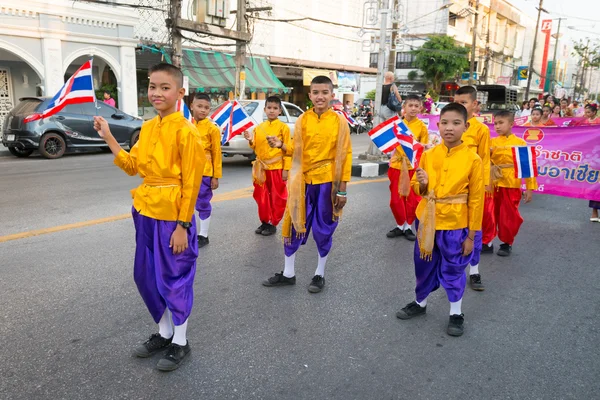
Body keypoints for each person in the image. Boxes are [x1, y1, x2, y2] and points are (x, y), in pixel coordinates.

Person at [92, 63, 205, 371]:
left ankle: (180, 342)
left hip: (172, 216)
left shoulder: (187, 132)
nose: (156, 92)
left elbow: (192, 183)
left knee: (174, 277)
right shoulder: (149, 127)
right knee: (145, 275)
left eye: (164, 87)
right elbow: (132, 167)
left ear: (180, 92)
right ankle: (165, 332)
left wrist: (183, 225)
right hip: (144, 211)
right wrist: (108, 136)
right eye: (152, 86)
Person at [395, 103, 484, 337]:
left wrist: (472, 237)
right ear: (438, 125)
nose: (449, 128)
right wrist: (422, 183)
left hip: (456, 225)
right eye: (444, 122)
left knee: (453, 269)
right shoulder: (428, 154)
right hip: (426, 222)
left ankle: (456, 313)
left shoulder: (473, 160)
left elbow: (476, 201)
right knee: (423, 265)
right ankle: (420, 303)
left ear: (466, 126)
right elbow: (417, 188)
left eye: (456, 123)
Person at [262, 75, 352, 293]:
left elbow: (345, 156)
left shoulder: (339, 122)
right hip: (302, 181)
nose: (320, 97)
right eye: (315, 93)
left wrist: (342, 190)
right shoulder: (303, 120)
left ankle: (319, 274)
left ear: (332, 95)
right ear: (310, 95)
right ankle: (288, 273)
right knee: (294, 223)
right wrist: (282, 145)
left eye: (324, 92)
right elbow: (298, 150)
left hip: (327, 183)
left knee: (323, 229)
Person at [453, 86, 490, 292]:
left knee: (473, 231)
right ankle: (452, 270)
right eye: (456, 102)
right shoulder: (449, 125)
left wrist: (483, 187)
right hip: (452, 190)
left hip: (473, 190)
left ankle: (474, 272)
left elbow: (485, 160)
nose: (459, 107)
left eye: (464, 103)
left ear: (475, 105)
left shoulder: (480, 129)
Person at [487, 111, 538, 256]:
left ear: (511, 124)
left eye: (501, 123)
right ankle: (487, 241)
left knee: (508, 215)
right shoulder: (492, 142)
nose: (497, 126)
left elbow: (527, 167)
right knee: (489, 213)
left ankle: (506, 242)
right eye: (495, 123)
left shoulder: (520, 143)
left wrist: (529, 188)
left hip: (511, 184)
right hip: (493, 183)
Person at [243, 96, 291, 236]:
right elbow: (256, 147)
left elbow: (288, 150)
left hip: (276, 168)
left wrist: (286, 169)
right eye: (269, 108)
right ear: (264, 110)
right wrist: (251, 139)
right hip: (261, 169)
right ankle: (264, 220)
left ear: (280, 111)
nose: (272, 111)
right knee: (261, 196)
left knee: (277, 197)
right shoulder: (259, 128)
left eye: (275, 108)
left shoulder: (284, 128)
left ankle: (273, 222)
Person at [387, 94, 429, 241]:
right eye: (410, 105)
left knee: (411, 198)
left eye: (416, 106)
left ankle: (408, 226)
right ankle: (400, 225)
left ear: (421, 109)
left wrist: (422, 146)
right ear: (403, 107)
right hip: (396, 165)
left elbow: (424, 148)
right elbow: (388, 144)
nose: (413, 108)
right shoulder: (396, 125)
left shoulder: (422, 128)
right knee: (396, 198)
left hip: (412, 166)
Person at [191, 92, 222, 248]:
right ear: (192, 106)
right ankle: (188, 231)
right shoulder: (186, 126)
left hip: (205, 172)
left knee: (203, 202)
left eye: (206, 108)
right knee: (186, 202)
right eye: (199, 106)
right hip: (187, 171)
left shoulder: (212, 128)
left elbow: (217, 152)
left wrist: (215, 176)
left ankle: (203, 234)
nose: (203, 110)